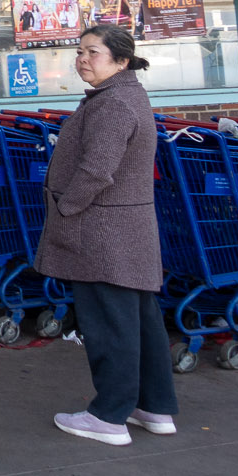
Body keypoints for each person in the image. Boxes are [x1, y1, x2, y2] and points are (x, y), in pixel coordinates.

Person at [36, 24, 176, 446]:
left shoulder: (113, 104)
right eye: (79, 51)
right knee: (140, 322)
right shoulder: (124, 96)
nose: (81, 59)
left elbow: (98, 169)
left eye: (92, 52)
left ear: (121, 60)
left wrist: (67, 206)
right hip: (125, 231)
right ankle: (153, 407)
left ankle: (109, 416)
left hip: (102, 234)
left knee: (109, 325)